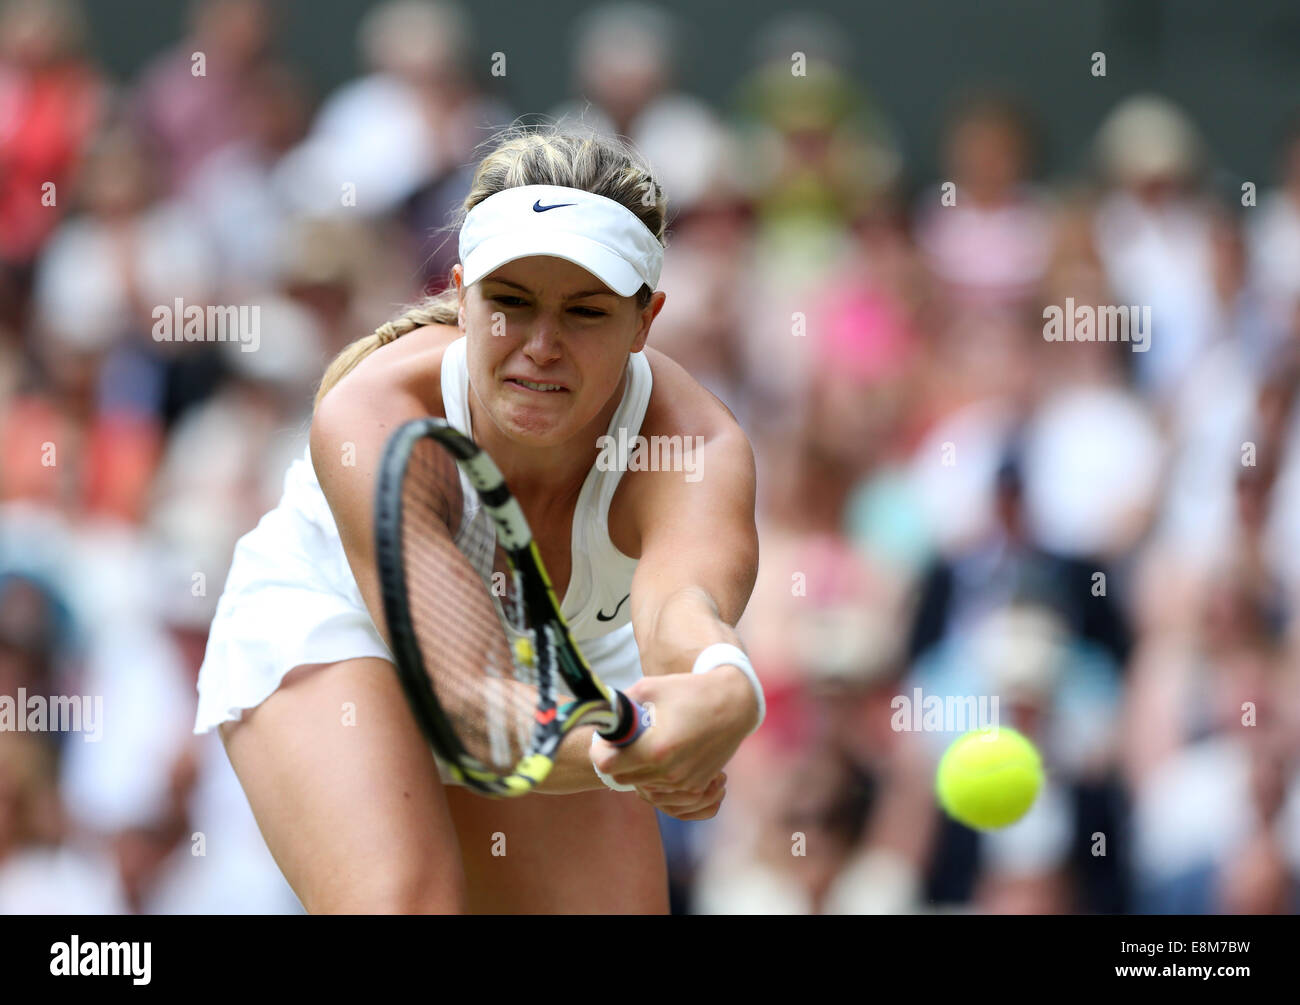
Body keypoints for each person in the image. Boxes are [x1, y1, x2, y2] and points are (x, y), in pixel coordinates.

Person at [193, 125, 764, 914]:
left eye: (586, 312)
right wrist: (637, 746)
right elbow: (472, 701)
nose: (541, 346)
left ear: (646, 319)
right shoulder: (372, 410)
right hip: (336, 625)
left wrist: (721, 684)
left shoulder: (695, 445)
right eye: (509, 303)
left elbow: (680, 610)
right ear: (461, 295)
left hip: (552, 678)